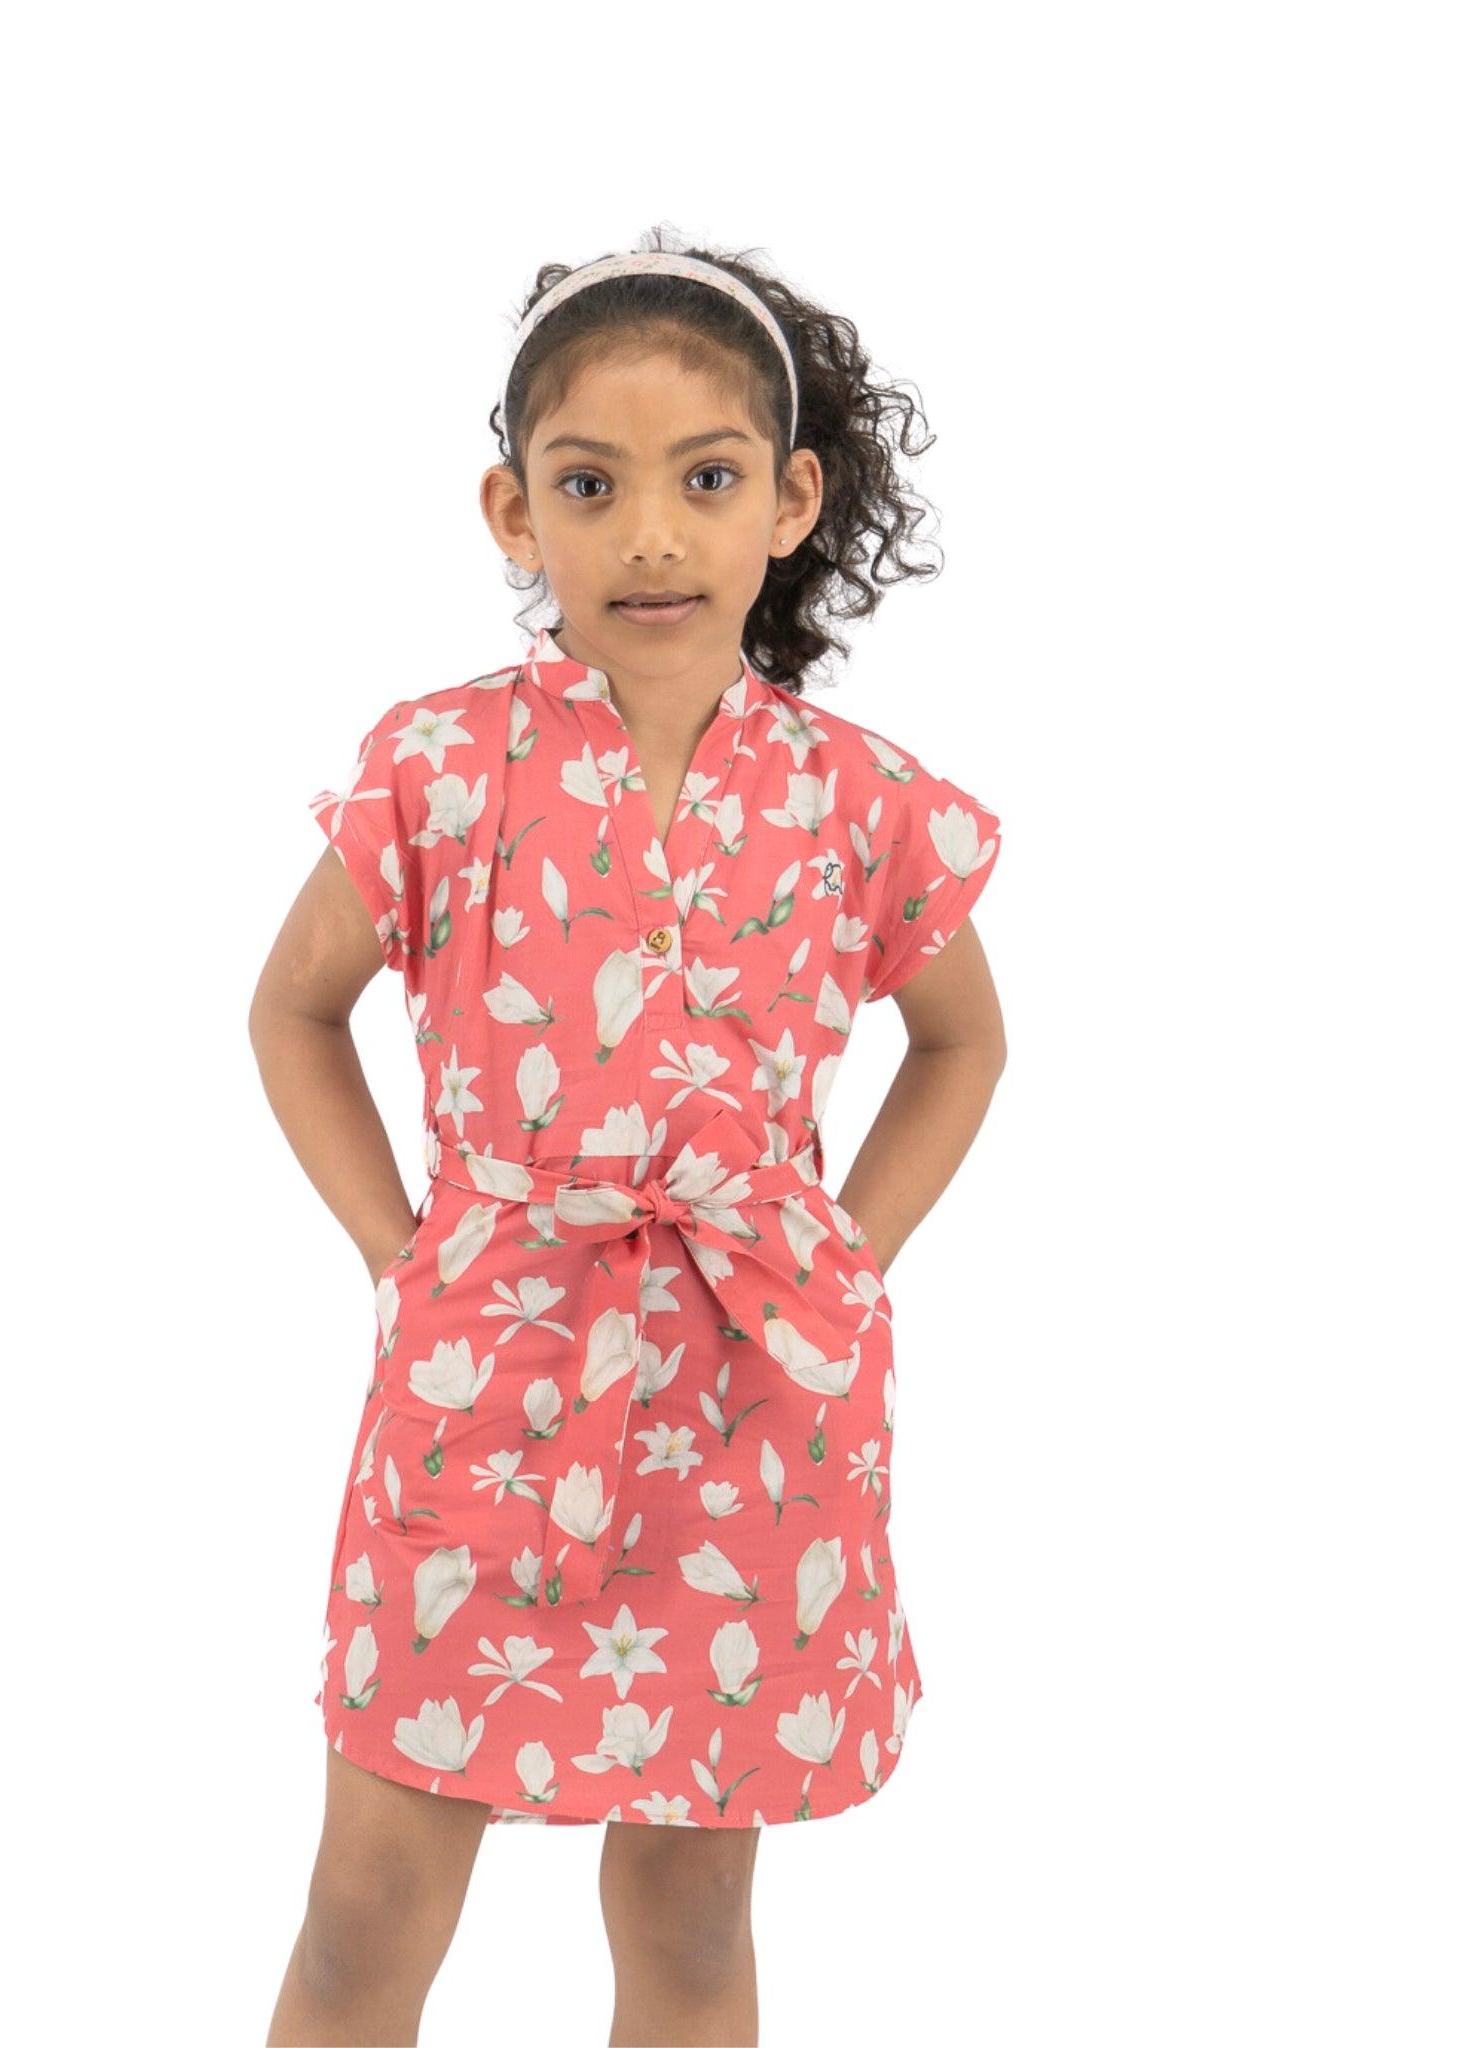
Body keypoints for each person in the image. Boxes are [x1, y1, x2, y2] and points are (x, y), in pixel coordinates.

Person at [250, 229, 1008, 2046]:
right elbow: (292, 1010)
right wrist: (401, 1241)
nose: (653, 534)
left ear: (791, 499)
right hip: (483, 1374)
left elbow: (964, 1040)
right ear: (517, 512)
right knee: (373, 1895)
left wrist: (842, 1249)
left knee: (687, 1904)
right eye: (593, 485)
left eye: (709, 480)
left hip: (758, 1402)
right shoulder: (439, 772)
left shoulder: (860, 798)